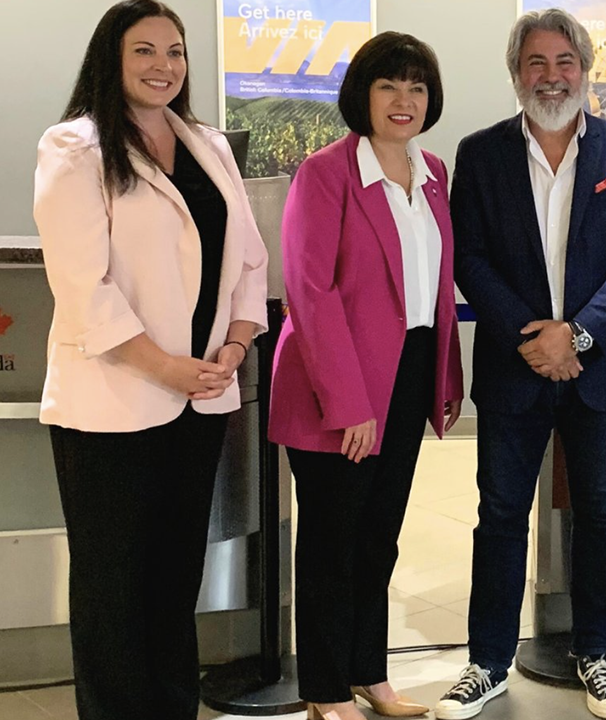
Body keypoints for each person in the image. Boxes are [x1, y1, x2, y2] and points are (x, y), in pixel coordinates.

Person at [32, 1, 269, 718]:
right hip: (112, 402)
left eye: (175, 51)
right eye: (145, 51)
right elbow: (82, 284)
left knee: (173, 576)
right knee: (112, 583)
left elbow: (249, 260)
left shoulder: (208, 144)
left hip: (199, 393)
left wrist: (234, 342)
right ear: (112, 57)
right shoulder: (74, 146)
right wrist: (163, 365)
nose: (164, 66)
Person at [434, 9, 606, 720]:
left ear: (585, 70)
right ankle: (487, 661)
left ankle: (596, 653)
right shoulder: (481, 153)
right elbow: (467, 254)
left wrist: (579, 336)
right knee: (499, 515)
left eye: (565, 61)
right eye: (537, 62)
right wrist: (532, 335)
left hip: (600, 369)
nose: (552, 75)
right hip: (514, 364)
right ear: (515, 73)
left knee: (600, 514)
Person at [267, 31, 464, 720]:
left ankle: (369, 673)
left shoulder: (432, 171)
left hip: (407, 372)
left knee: (379, 532)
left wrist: (441, 377)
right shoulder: (326, 173)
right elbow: (310, 291)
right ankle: (324, 689)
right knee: (332, 537)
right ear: (364, 95)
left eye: (416, 87)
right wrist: (348, 402)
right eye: (389, 86)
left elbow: (435, 288)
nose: (403, 100)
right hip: (337, 382)